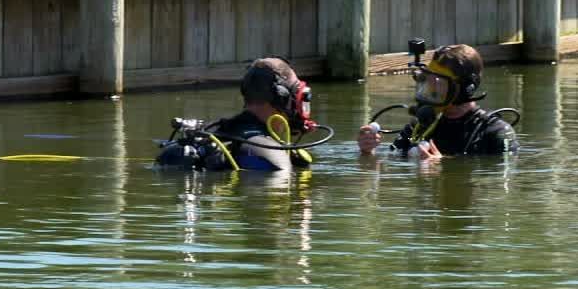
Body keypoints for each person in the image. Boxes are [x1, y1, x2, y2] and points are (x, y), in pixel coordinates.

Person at [357, 44, 518, 160]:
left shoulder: (496, 132)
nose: (431, 87)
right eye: (427, 80)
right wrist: (368, 152)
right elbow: (392, 163)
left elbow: (500, 179)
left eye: (439, 82)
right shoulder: (420, 126)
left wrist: (443, 166)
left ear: (464, 88)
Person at [156, 57, 320, 171]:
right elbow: (278, 201)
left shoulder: (216, 132)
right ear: (283, 98)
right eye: (302, 97)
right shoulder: (270, 152)